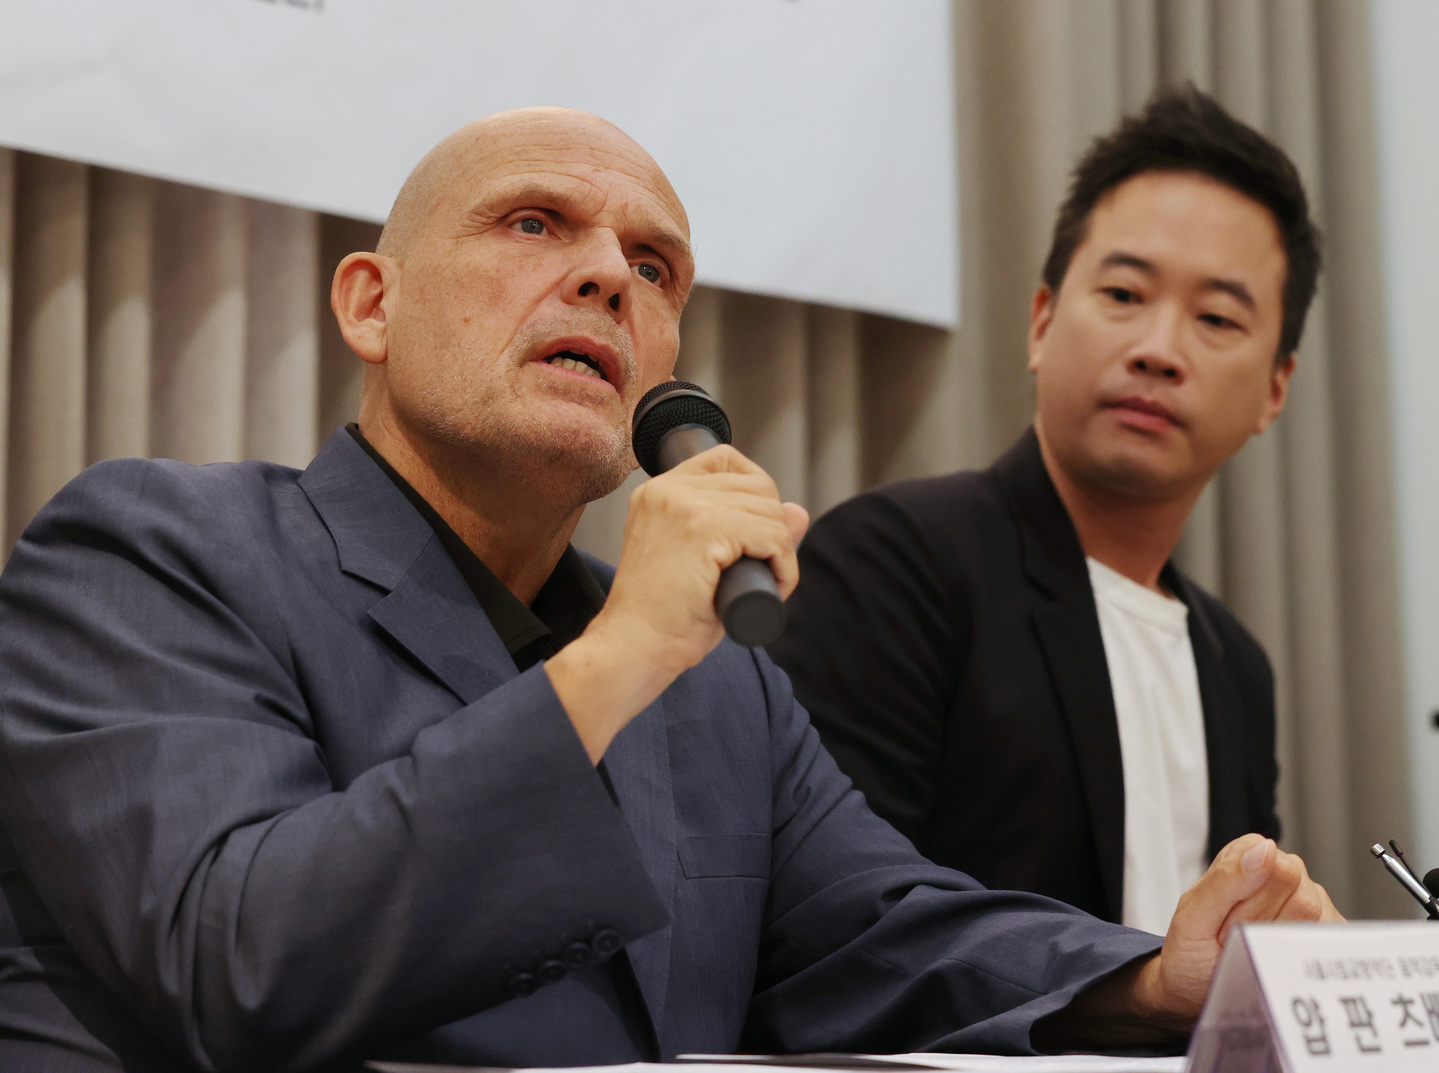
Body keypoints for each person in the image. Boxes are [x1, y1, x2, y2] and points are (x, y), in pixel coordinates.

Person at [0, 107, 1336, 1073]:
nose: (602, 275)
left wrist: (1148, 977)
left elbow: (877, 930)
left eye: (653, 268)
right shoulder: (150, 548)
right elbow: (234, 955)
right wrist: (619, 654)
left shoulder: (722, 680)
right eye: (533, 223)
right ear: (369, 303)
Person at [769, 87, 1314, 935]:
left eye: (1214, 317)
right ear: (1040, 320)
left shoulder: (1234, 667)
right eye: (1125, 294)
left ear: (1273, 388)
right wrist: (1134, 991)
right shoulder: (897, 564)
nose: (1157, 350)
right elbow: (835, 920)